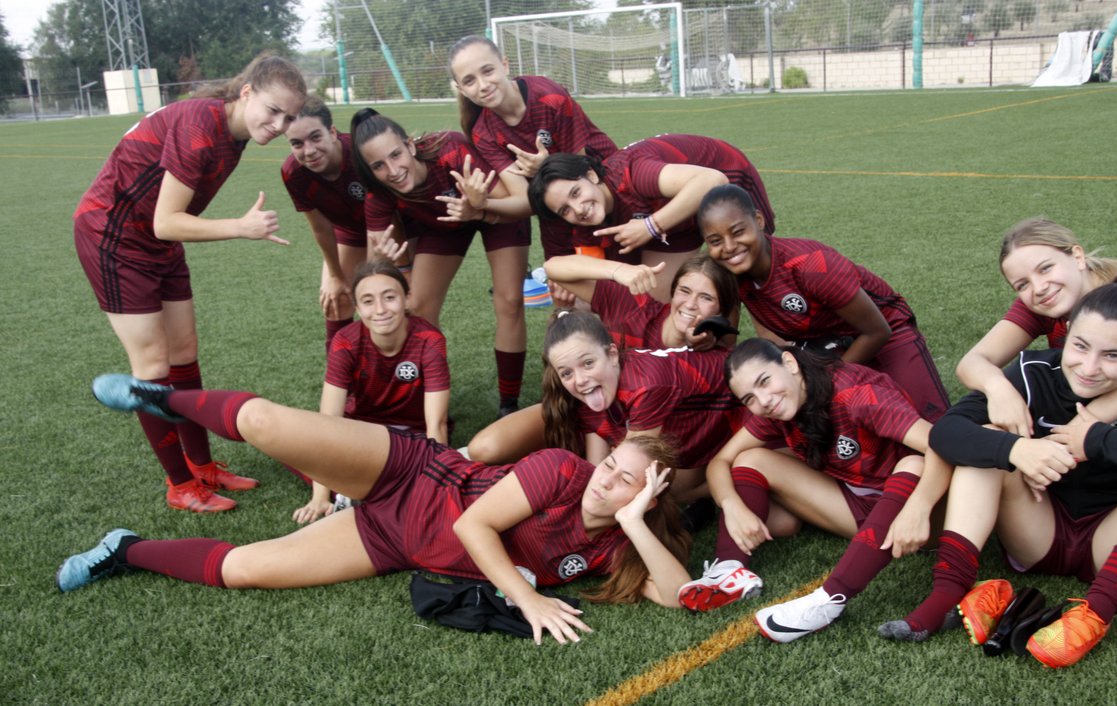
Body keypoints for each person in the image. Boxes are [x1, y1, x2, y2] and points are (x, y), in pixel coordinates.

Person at [63, 377, 694, 645]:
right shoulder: (563, 471)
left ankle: (124, 549)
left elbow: (678, 594)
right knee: (261, 423)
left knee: (244, 571)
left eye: (624, 484)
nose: (604, 481)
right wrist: (528, 601)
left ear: (645, 496)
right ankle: (165, 398)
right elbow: (473, 525)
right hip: (411, 473)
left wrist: (635, 521)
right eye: (610, 464)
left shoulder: (618, 541)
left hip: (394, 541)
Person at [878, 275, 1117, 669]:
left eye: (1113, 355)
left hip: (1115, 545)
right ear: (1066, 337)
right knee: (988, 437)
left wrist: (1096, 441)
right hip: (1038, 532)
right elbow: (948, 432)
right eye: (1080, 346)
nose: (1089, 367)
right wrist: (1017, 449)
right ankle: (947, 594)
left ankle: (1094, 615)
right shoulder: (1034, 372)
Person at [73, 54, 307, 512]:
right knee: (152, 362)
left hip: (155, 241)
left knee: (184, 353)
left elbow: (166, 223)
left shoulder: (234, 135)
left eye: (290, 116)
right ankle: (180, 484)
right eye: (273, 110)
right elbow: (166, 221)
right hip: (113, 236)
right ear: (245, 93)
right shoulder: (201, 127)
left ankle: (201, 466)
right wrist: (240, 227)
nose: (280, 124)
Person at [675, 338, 949, 643]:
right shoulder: (778, 407)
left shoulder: (857, 395)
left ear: (790, 364)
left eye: (764, 381)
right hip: (859, 505)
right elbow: (720, 462)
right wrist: (731, 505)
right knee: (750, 459)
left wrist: (919, 508)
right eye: (749, 398)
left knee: (914, 463)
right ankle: (730, 569)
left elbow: (943, 446)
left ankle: (829, 599)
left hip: (917, 519)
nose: (762, 401)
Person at [698, 184, 949, 422]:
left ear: (759, 221)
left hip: (886, 333)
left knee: (931, 427)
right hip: (824, 346)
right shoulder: (731, 274)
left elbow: (877, 331)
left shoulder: (811, 265)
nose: (729, 247)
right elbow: (733, 343)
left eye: (738, 231)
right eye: (715, 241)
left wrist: (823, 382)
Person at [350, 108, 529, 418]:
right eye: (378, 165)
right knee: (417, 305)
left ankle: (508, 404)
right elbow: (372, 273)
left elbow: (513, 207)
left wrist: (480, 207)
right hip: (443, 223)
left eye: (396, 155)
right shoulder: (377, 194)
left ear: (410, 145)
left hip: (494, 212)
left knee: (510, 299)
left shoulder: (449, 149)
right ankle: (430, 403)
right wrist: (387, 264)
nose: (393, 170)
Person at [955, 217, 1117, 438]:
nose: (1039, 287)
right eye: (1022, 284)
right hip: (1103, 390)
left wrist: (1072, 434)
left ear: (1077, 256)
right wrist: (998, 389)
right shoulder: (1042, 301)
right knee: (989, 434)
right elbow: (973, 361)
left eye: (1045, 268)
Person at [467, 311, 744, 504]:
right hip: (654, 417)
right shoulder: (587, 390)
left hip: (739, 408)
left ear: (612, 354)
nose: (581, 379)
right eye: (566, 373)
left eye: (588, 363)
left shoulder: (647, 385)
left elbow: (623, 475)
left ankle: (714, 487)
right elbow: (595, 472)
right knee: (485, 447)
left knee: (663, 489)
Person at [292, 260, 450, 524]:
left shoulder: (429, 340)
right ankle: (362, 488)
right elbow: (328, 421)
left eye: (389, 297)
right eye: (367, 301)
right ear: (356, 308)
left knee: (414, 468)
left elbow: (437, 423)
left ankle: (363, 488)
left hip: (411, 439)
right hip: (360, 435)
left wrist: (439, 487)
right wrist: (320, 496)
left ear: (406, 298)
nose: (380, 310)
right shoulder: (346, 341)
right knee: (295, 438)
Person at [527, 134, 776, 301]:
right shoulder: (584, 222)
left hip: (724, 179)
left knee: (750, 278)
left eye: (575, 192)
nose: (577, 209)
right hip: (670, 214)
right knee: (656, 300)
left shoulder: (632, 172)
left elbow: (712, 180)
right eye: (565, 210)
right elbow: (582, 278)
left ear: (591, 175)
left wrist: (651, 226)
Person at [448, 34, 617, 264]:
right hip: (558, 209)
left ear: (505, 65)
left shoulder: (549, 97)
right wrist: (482, 204)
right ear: (461, 89)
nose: (483, 85)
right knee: (566, 286)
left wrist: (544, 167)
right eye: (469, 81)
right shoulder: (483, 132)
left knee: (629, 269)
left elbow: (581, 175)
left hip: (604, 188)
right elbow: (525, 201)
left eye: (488, 71)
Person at [281, 95, 369, 350]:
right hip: (352, 231)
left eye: (315, 137)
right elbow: (320, 228)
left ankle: (407, 379)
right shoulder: (293, 173)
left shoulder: (361, 152)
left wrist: (376, 273)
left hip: (397, 229)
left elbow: (391, 213)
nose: (308, 150)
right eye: (297, 143)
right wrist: (335, 275)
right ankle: (342, 384)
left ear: (331, 132)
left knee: (398, 301)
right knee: (336, 298)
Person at [542, 253, 739, 351]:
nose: (690, 304)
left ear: (721, 312)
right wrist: (619, 270)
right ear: (672, 293)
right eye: (684, 291)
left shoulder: (711, 356)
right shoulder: (633, 306)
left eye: (706, 297)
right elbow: (553, 267)